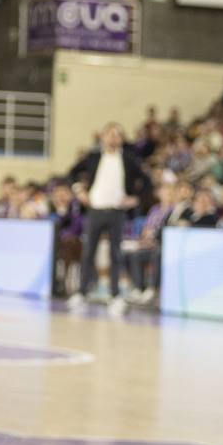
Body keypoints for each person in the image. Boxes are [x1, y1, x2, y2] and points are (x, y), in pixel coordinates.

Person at [67, 122, 151, 317]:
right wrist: (79, 190)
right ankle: (82, 292)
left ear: (121, 138)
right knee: (88, 252)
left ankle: (115, 295)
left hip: (117, 211)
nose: (113, 137)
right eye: (109, 134)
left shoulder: (129, 159)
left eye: (117, 134)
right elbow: (72, 173)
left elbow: (146, 181)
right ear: (103, 137)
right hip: (95, 209)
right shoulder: (94, 156)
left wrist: (135, 198)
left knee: (116, 254)